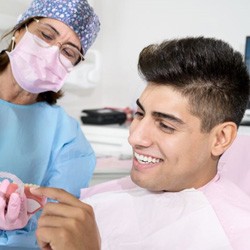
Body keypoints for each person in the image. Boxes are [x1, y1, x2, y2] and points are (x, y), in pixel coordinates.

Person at [12, 37, 250, 249]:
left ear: (221, 138)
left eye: (166, 126)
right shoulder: (112, 194)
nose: (134, 137)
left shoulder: (234, 236)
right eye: (139, 113)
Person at [0, 0, 100, 247]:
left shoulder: (69, 139)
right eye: (45, 35)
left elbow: (55, 227)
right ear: (20, 30)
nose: (50, 54)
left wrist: (22, 223)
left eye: (68, 52)